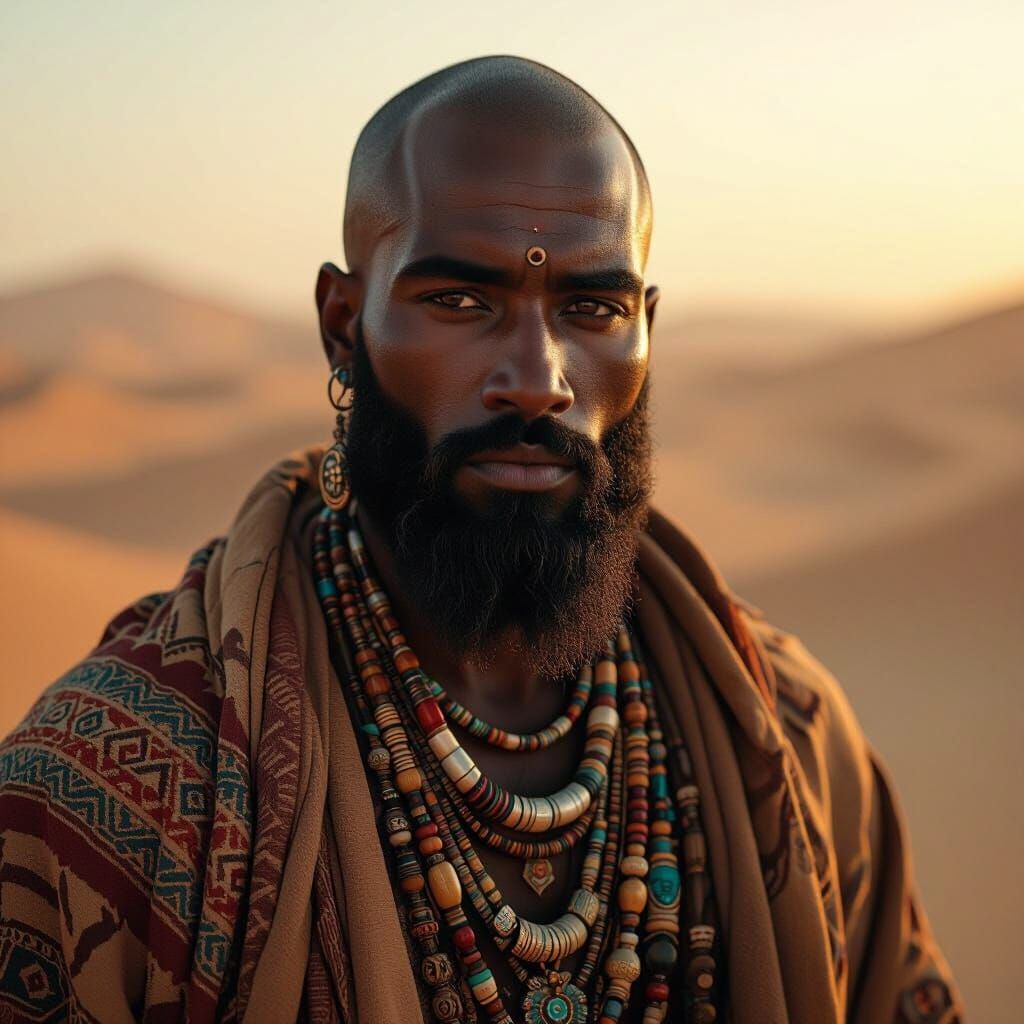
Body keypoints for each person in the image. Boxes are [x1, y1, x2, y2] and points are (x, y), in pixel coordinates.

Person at [0, 56, 963, 1024]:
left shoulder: (788, 734)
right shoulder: (103, 792)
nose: (537, 378)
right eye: (461, 302)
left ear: (647, 331)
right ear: (344, 326)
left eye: (594, 309)